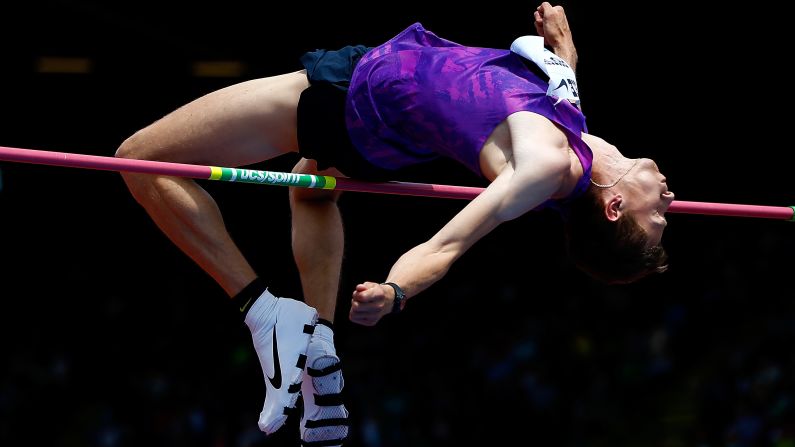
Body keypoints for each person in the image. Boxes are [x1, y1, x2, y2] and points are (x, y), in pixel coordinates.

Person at [115, 2, 674, 445]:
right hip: (393, 133)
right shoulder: (581, 153)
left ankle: (263, 312)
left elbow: (448, 244)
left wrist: (394, 290)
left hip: (353, 97)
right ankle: (319, 348)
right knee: (311, 189)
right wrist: (566, 48)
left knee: (140, 159)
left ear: (615, 207)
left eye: (660, 215)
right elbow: (562, 96)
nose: (669, 199)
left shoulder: (544, 168)